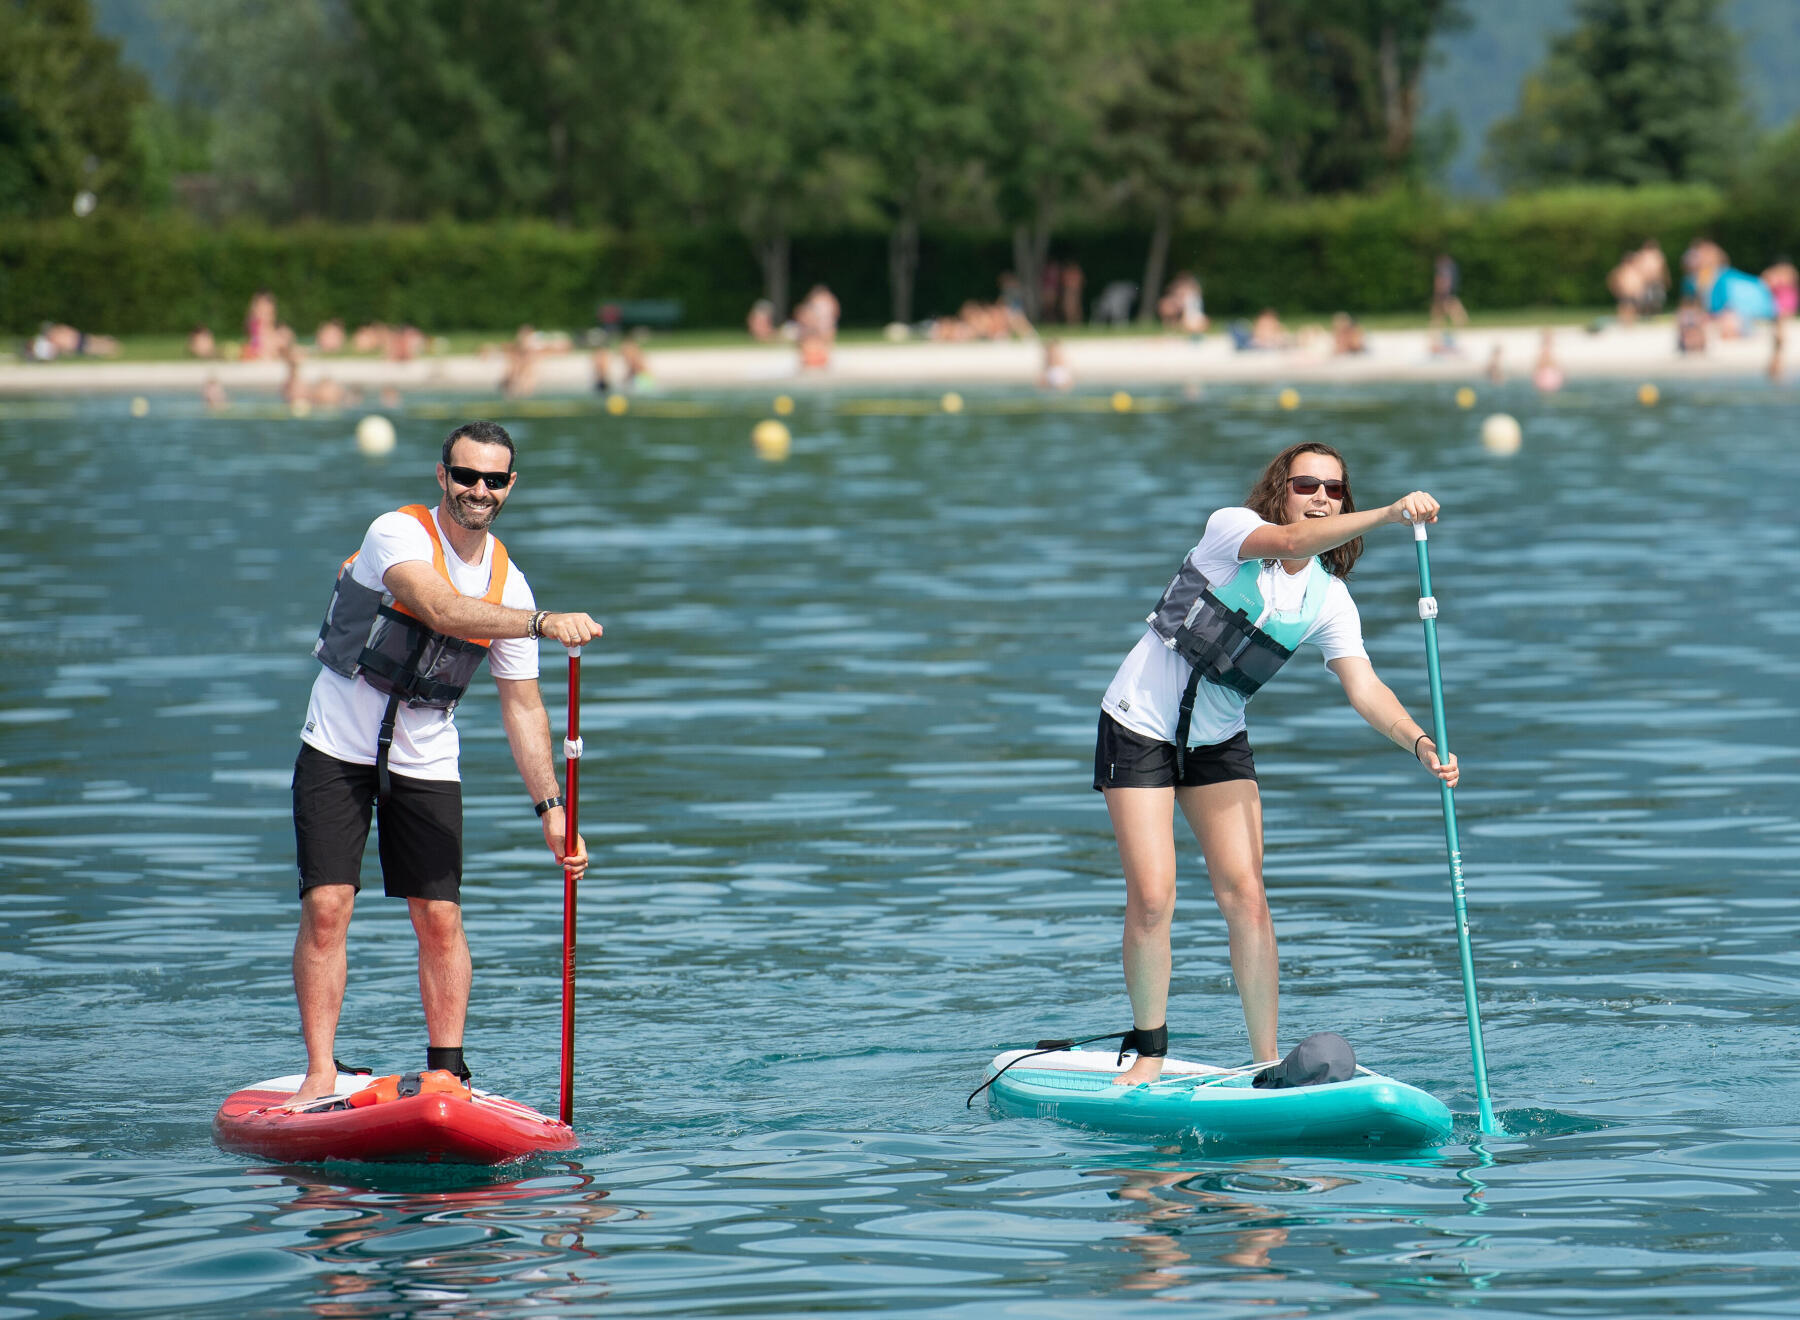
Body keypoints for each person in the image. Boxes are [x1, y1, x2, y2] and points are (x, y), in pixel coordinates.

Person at [1094, 443, 1457, 1082]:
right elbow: (1289, 538)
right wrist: (1391, 513)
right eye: (1306, 484)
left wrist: (1420, 742)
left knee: (1248, 897)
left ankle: (1266, 1064)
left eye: (1334, 489)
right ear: (1280, 492)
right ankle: (1148, 1054)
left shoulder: (1328, 600)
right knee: (1153, 898)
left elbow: (1365, 689)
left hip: (1217, 740)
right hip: (1138, 724)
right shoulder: (1230, 530)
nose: (1320, 497)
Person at [287, 421, 603, 1107]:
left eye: (493, 480)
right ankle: (319, 1072)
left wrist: (552, 812)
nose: (478, 490)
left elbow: (523, 707)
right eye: (466, 476)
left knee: (440, 918)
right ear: (443, 477)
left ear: (509, 487)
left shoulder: (508, 583)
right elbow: (435, 604)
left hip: (426, 754)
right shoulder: (397, 533)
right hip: (337, 742)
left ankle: (448, 1071)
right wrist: (541, 621)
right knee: (328, 907)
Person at [1429, 253, 1467, 329]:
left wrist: (1441, 294)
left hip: (1444, 295)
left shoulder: (1443, 269)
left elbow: (1443, 283)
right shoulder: (1448, 268)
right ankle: (1436, 331)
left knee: (1441, 314)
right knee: (1440, 315)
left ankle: (1435, 332)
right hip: (1446, 295)